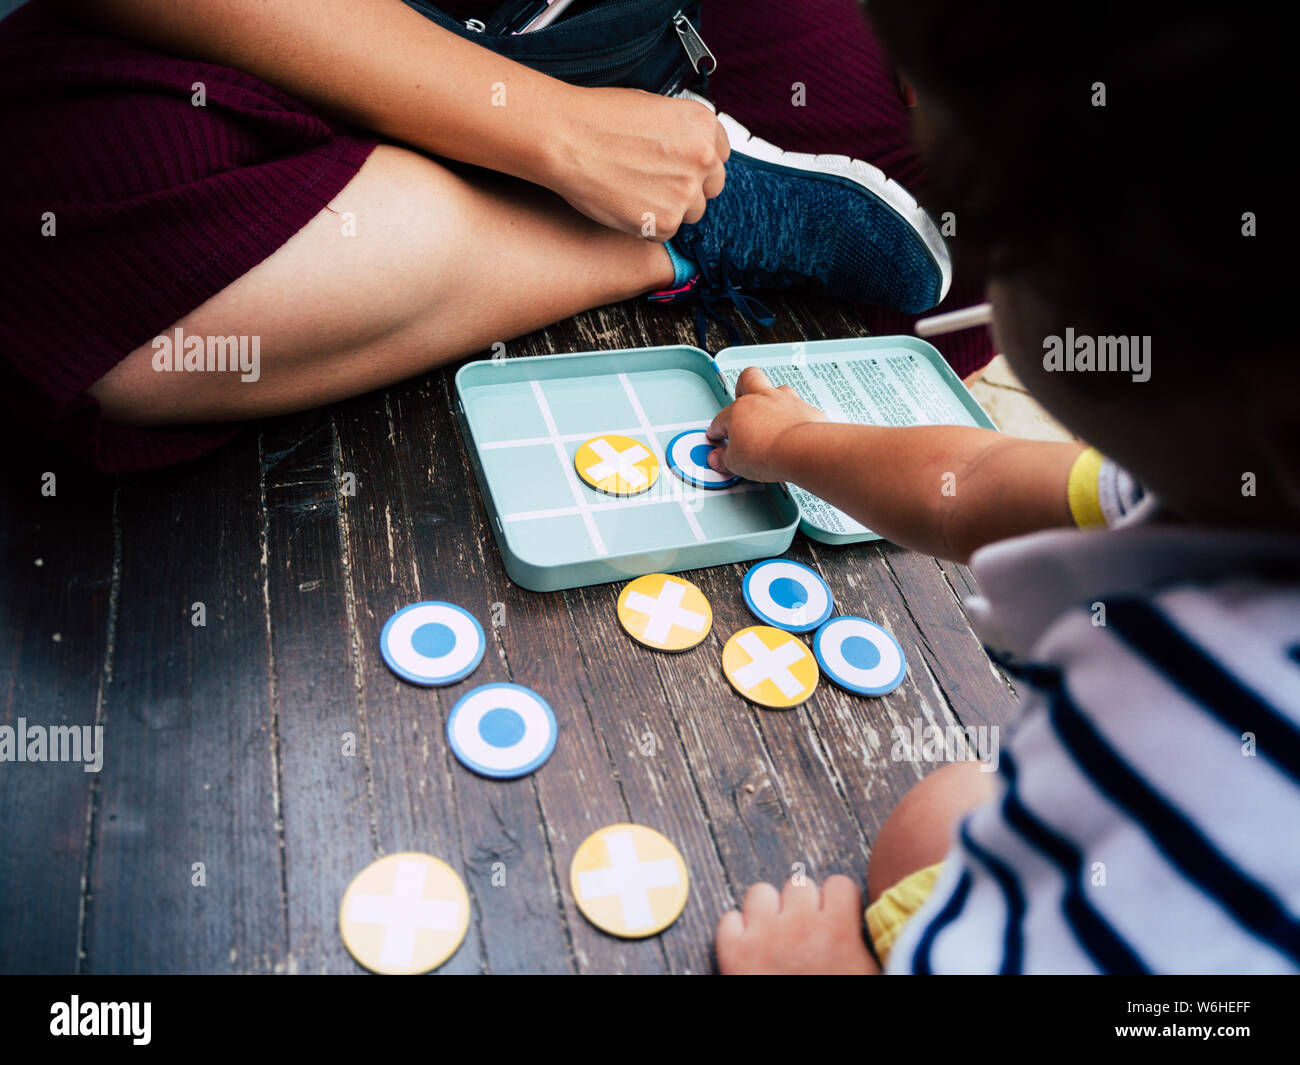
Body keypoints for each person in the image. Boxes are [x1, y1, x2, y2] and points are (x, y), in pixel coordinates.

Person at [708, 1, 1299, 973]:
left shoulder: (1230, 793)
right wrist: (793, 441)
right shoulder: (1237, 476)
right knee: (944, 808)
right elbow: (969, 483)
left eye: (1009, 245)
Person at [0, 0, 947, 472]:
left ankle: (678, 200)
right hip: (304, 45)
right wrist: (554, 134)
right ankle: (699, 225)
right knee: (75, 252)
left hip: (586, 42)